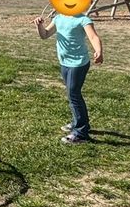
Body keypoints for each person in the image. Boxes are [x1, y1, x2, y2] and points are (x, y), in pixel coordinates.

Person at [34, 10, 103, 143]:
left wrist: (98, 50)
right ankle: (79, 122)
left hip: (78, 63)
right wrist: (39, 25)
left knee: (73, 94)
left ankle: (81, 133)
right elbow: (45, 35)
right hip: (64, 62)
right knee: (72, 94)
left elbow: (93, 37)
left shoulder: (83, 20)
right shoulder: (58, 18)